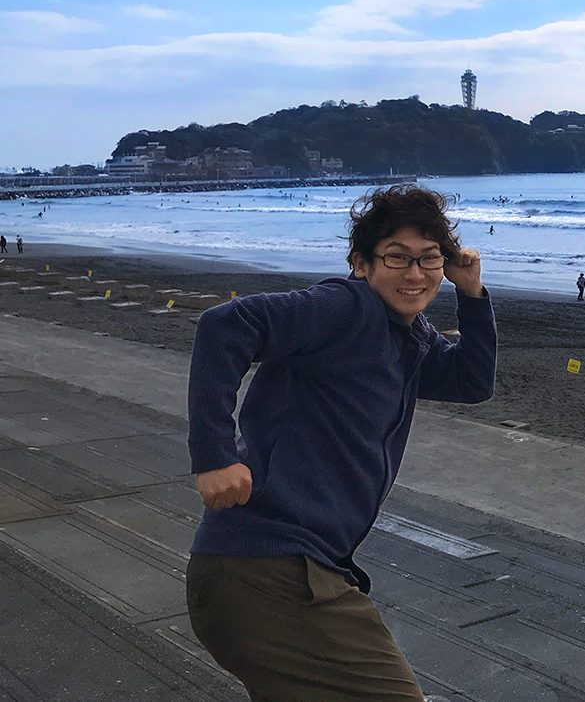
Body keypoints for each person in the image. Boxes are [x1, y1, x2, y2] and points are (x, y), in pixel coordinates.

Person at [184, 184, 497, 701]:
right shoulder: (345, 309)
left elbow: (471, 382)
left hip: (294, 573)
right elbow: (226, 324)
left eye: (430, 259)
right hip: (268, 571)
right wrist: (214, 454)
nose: (415, 273)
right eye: (397, 257)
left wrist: (471, 293)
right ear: (361, 264)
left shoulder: (411, 338)